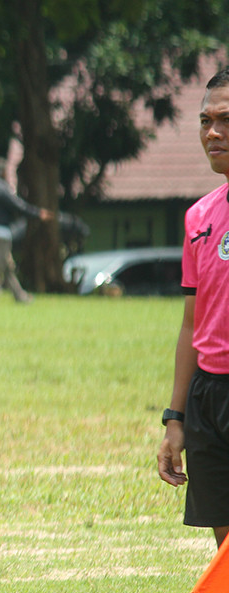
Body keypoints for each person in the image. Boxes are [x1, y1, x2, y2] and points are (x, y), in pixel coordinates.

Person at [157, 66, 229, 550]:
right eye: (205, 121)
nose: (213, 133)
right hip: (208, 395)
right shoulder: (199, 216)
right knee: (224, 543)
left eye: (225, 120)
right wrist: (175, 419)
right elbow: (191, 325)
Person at [0, 157, 52, 303]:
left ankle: (20, 296)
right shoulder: (3, 189)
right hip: (1, 233)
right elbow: (19, 206)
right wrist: (38, 213)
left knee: (7, 267)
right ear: (3, 172)